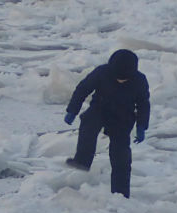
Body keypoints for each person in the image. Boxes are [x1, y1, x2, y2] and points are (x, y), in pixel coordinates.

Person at [63, 49, 151, 198]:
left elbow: (143, 104)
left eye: (125, 79)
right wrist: (73, 110)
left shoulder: (140, 80)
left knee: (121, 155)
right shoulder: (101, 72)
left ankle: (120, 193)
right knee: (88, 125)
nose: (121, 81)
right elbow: (83, 89)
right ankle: (82, 161)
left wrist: (141, 126)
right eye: (118, 77)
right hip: (100, 108)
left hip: (123, 117)